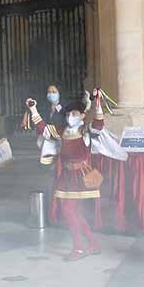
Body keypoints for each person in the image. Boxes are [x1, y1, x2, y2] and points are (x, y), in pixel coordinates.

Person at [29, 92, 125, 261]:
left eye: (74, 114)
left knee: (70, 211)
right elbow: (44, 129)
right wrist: (33, 109)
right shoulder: (62, 131)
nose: (70, 117)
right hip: (66, 176)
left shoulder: (85, 131)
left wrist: (97, 103)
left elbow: (98, 124)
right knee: (72, 211)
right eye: (68, 114)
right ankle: (92, 244)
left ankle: (80, 248)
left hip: (81, 176)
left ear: (82, 115)